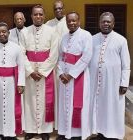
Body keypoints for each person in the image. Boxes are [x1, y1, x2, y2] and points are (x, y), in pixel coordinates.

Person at [89, 12, 131, 140]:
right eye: (103, 21)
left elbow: (126, 64)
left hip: (113, 82)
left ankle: (113, 134)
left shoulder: (121, 40)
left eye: (108, 22)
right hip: (95, 82)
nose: (106, 24)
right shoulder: (92, 39)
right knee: (98, 107)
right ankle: (99, 132)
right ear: (99, 23)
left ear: (113, 23)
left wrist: (124, 83)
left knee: (113, 108)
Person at [20, 5, 58, 140]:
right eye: (35, 14)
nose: (38, 17)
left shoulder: (52, 31)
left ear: (44, 15)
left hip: (45, 72)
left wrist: (41, 72)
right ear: (31, 16)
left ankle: (45, 130)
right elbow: (21, 53)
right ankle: (30, 130)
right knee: (29, 101)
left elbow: (54, 54)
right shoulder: (24, 32)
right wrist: (30, 71)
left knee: (44, 100)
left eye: (40, 14)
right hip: (29, 72)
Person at [57, 12, 92, 140]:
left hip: (78, 76)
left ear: (79, 21)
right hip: (64, 77)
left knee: (77, 104)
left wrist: (71, 75)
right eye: (69, 21)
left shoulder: (86, 35)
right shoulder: (64, 37)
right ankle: (64, 132)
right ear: (66, 22)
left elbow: (86, 57)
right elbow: (61, 56)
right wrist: (60, 72)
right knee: (65, 104)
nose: (71, 23)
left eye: (74, 21)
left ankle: (77, 134)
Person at [45, 0, 69, 131]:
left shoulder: (70, 22)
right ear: (53, 10)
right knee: (52, 95)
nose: (58, 10)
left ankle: (63, 125)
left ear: (63, 9)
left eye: (60, 8)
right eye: (56, 9)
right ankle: (53, 124)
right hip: (52, 65)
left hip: (66, 65)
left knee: (64, 96)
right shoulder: (48, 24)